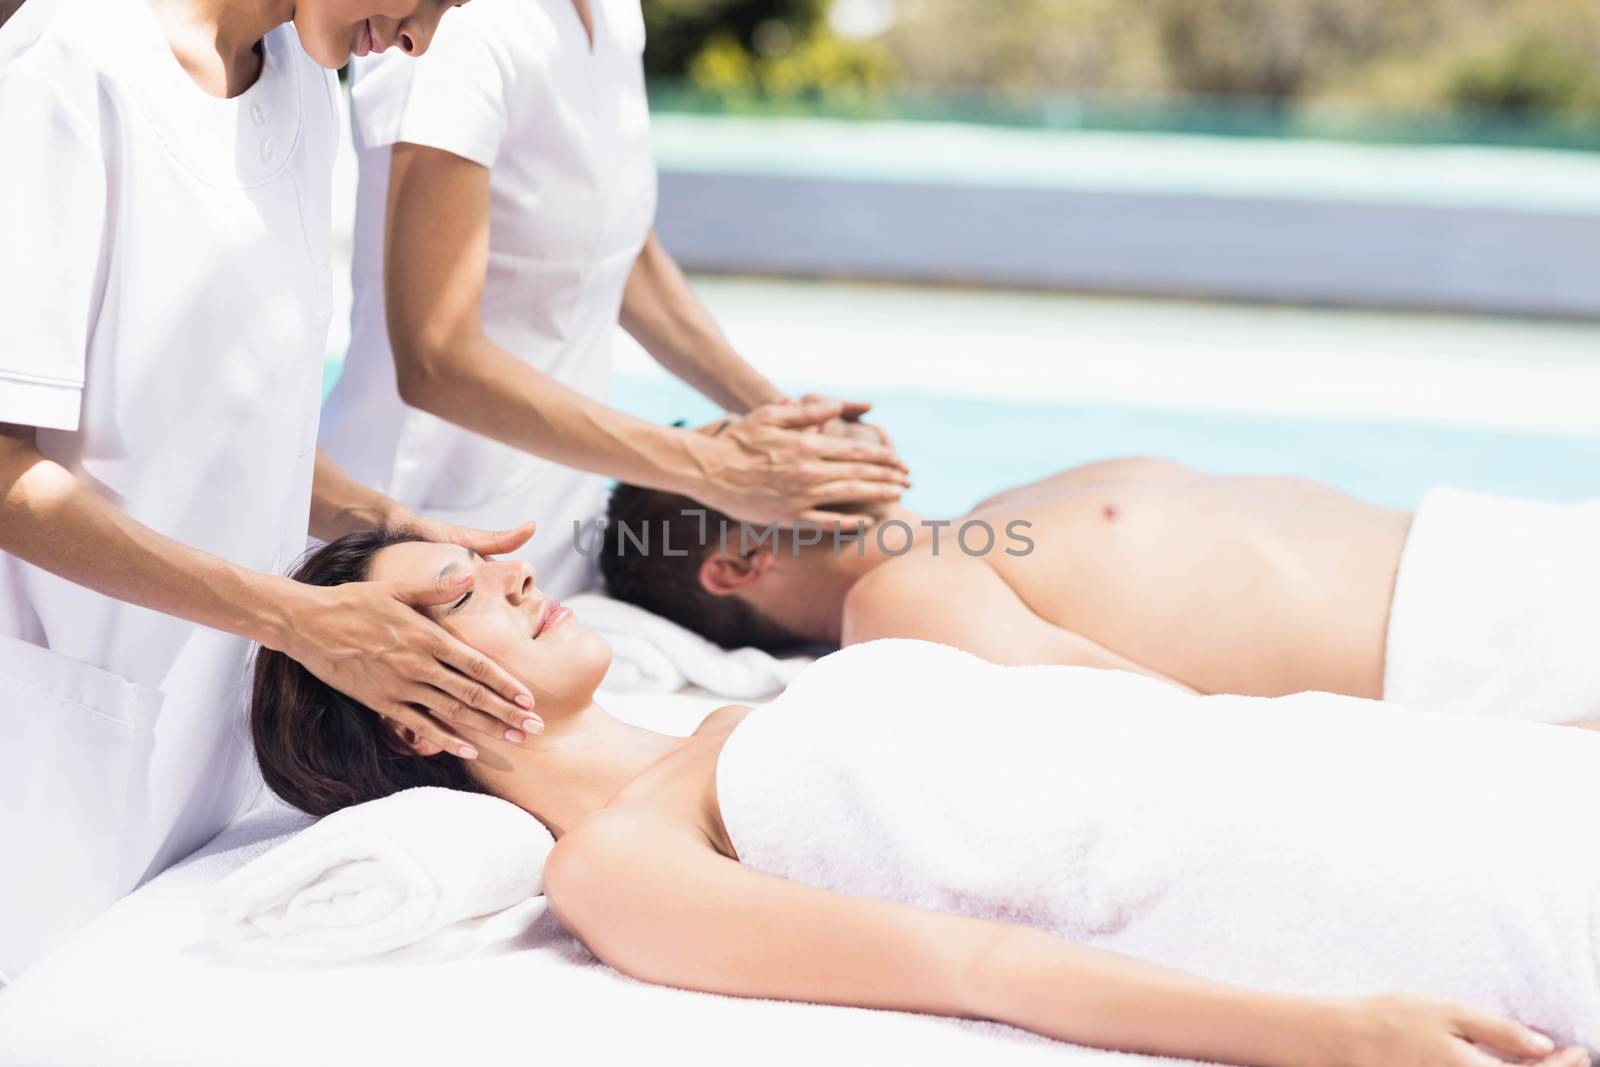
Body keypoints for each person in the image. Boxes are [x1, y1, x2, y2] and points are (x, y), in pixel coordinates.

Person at [251, 528, 1598, 1067]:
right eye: (454, 598)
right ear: (408, 711)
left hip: (1383, 772)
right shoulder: (617, 862)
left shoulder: (747, 713)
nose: (515, 576)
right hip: (1352, 882)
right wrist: (1336, 1035)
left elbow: (1162, 716)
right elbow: (979, 964)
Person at [0, 0, 542, 981]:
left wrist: (389, 526)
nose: (421, 39)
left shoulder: (302, 86)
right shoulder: (70, 65)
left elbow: (231, 423)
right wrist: (291, 616)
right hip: (47, 744)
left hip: (202, 754)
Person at [317, 0, 910, 601]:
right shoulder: (449, 26)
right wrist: (716, 470)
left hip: (558, 534)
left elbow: (619, 256)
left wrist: (793, 429)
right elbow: (436, 361)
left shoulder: (612, 13)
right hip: (421, 546)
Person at [600, 457, 1600, 727]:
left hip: (1507, 549)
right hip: (1475, 652)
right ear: (736, 564)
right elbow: (1166, 725)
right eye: (751, 461)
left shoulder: (992, 514)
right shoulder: (900, 606)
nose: (805, 438)